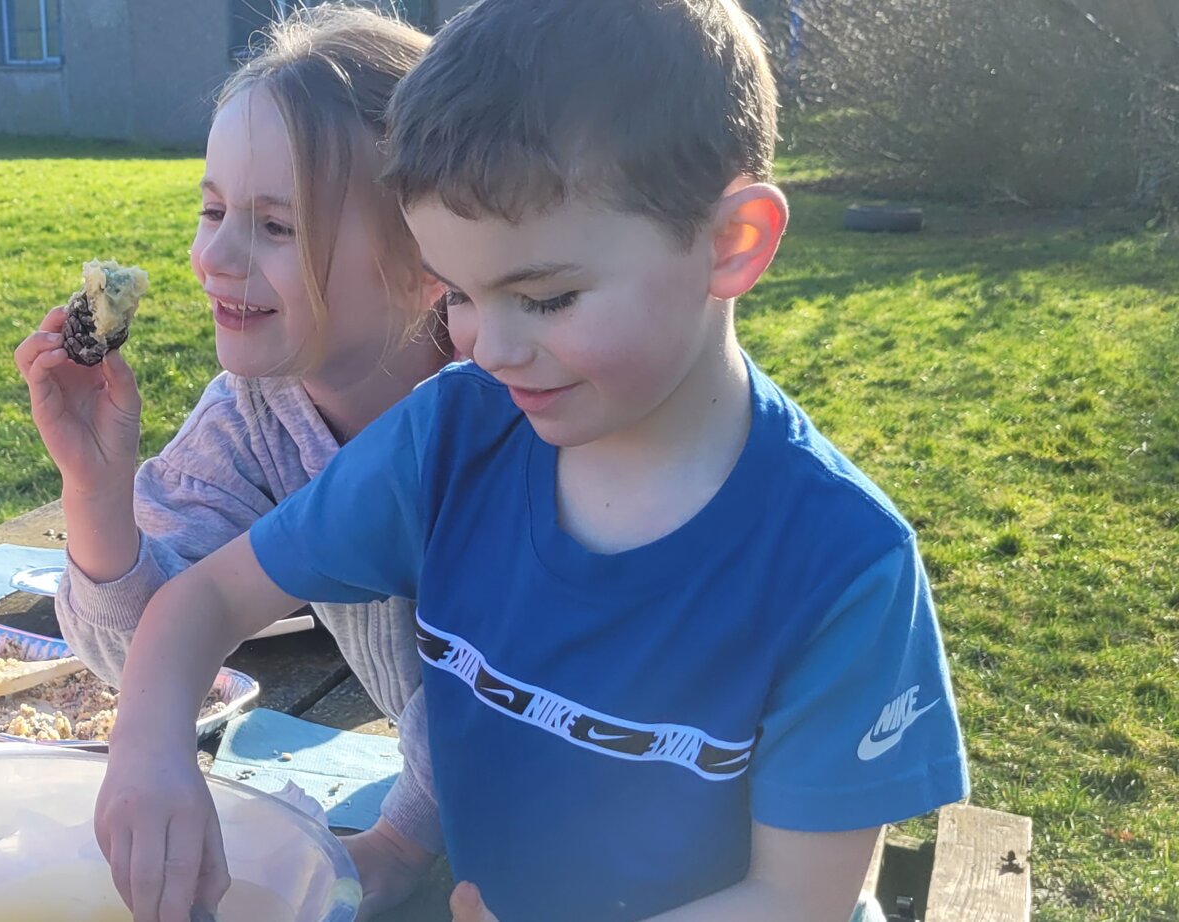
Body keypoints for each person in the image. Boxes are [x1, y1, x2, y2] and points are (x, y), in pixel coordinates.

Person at [92, 1, 969, 920]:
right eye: (463, 294)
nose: (489, 349)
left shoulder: (839, 565)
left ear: (731, 242)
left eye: (545, 298)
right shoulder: (452, 436)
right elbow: (204, 599)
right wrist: (150, 754)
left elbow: (800, 901)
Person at [14, 4, 453, 914]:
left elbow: (506, 678)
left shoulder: (508, 414)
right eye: (212, 209)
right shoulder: (258, 412)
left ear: (428, 261)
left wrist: (407, 837)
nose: (213, 254)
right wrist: (98, 495)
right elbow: (144, 650)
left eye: (275, 226)